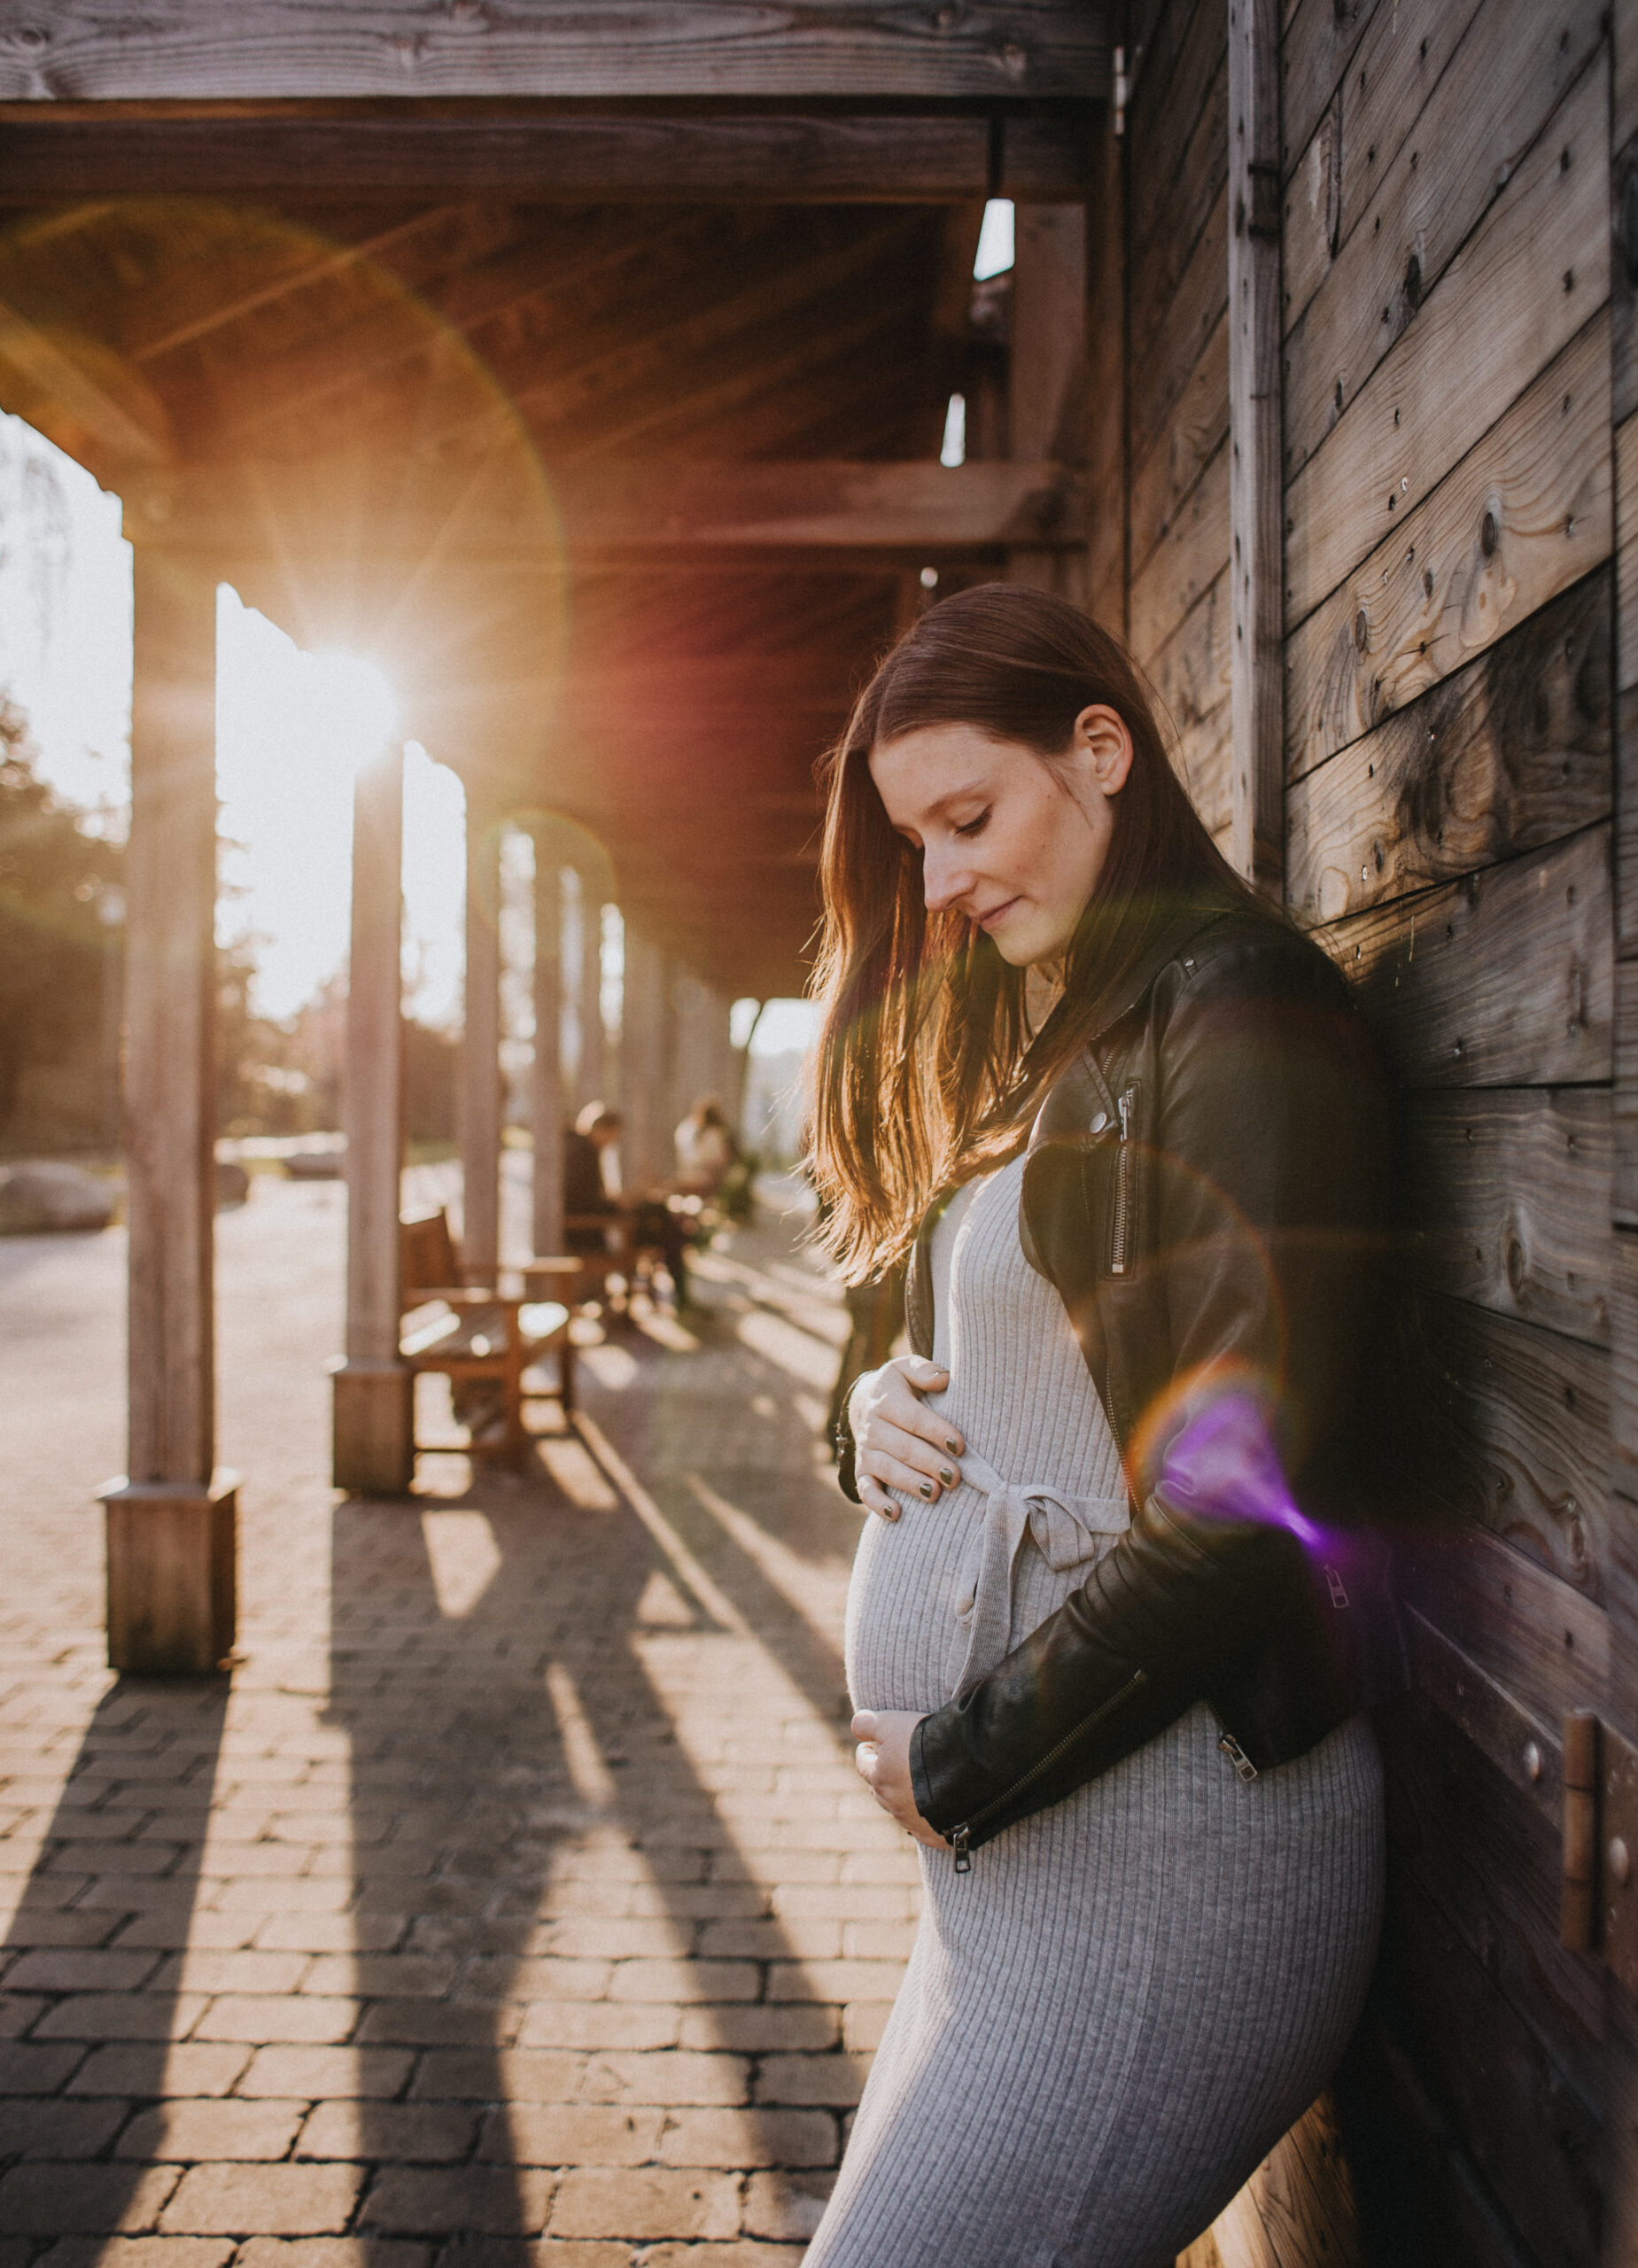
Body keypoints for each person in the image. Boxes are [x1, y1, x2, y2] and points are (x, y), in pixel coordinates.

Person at [805, 585, 1389, 2267]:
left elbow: (1242, 1499)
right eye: (913, 842)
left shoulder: (1238, 1011)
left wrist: (961, 1758)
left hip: (1170, 1859)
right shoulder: (1063, 1026)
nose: (938, 883)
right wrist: (869, 1417)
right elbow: (946, 1334)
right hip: (1031, 1861)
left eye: (966, 819)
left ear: (1100, 750)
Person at [673, 1095, 735, 1194]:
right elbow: (718, 1158)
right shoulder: (692, 1129)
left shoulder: (713, 1134)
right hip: (698, 1178)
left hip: (700, 1178)